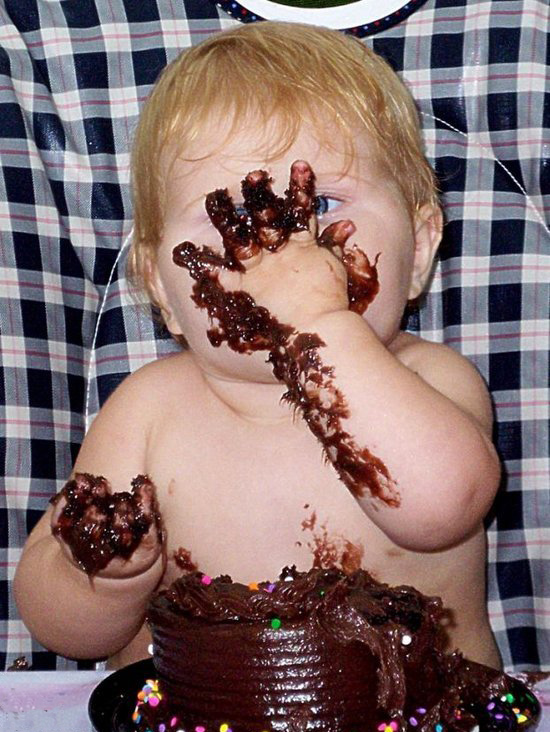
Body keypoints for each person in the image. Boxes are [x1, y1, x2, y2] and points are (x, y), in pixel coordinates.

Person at [13, 21, 502, 670]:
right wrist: (104, 576)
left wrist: (319, 323)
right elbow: (60, 628)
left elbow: (441, 508)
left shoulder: (431, 380)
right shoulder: (147, 412)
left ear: (419, 249)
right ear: (160, 286)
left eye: (322, 202)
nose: (281, 244)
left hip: (428, 708)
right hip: (182, 709)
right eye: (231, 214)